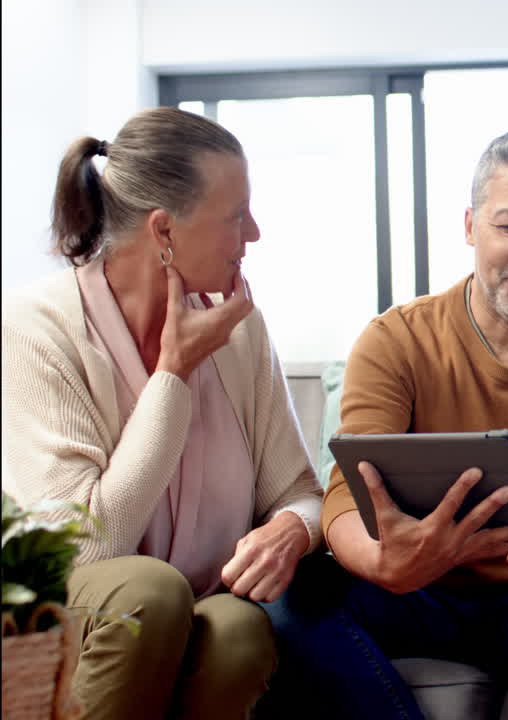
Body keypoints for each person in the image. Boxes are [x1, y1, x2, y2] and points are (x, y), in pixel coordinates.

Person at [262, 131, 508, 719]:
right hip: (409, 593)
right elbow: (346, 499)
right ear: (471, 226)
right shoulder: (396, 339)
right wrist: (383, 561)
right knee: (288, 596)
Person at [0, 107, 324, 719]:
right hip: (70, 604)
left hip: (195, 605)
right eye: (236, 216)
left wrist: (291, 530)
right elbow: (85, 551)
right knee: (150, 593)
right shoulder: (34, 329)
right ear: (164, 231)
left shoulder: (242, 331)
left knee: (236, 630)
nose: (254, 234)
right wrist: (173, 373)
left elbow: (299, 492)